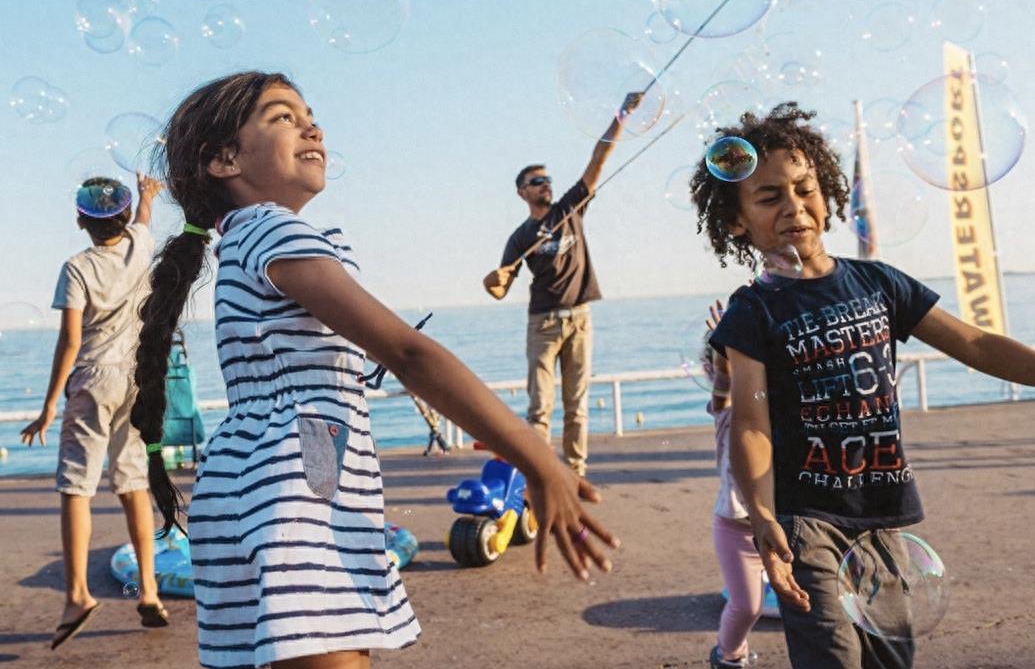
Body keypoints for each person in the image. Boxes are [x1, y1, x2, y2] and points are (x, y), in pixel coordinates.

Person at [130, 71, 620, 669]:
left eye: (309, 112)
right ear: (224, 159)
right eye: (283, 116)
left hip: (248, 483)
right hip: (298, 487)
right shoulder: (274, 229)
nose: (312, 125)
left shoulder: (239, 241)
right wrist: (538, 459)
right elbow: (408, 354)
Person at [692, 102, 1035, 669]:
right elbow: (750, 421)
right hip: (806, 521)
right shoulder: (752, 311)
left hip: (881, 512)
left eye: (805, 188)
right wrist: (762, 513)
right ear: (736, 221)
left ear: (828, 194)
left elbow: (973, 343)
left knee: (890, 659)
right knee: (833, 656)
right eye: (769, 196)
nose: (794, 206)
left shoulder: (878, 283)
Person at [21, 172, 167, 649]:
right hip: (137, 379)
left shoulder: (77, 267)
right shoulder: (140, 246)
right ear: (123, 217)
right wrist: (147, 195)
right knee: (133, 483)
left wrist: (47, 406)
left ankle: (78, 594)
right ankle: (149, 590)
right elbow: (145, 222)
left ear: (80, 221)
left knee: (75, 487)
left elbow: (70, 340)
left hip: (94, 380)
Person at [482, 92, 642, 476]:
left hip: (580, 319)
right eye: (537, 182)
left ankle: (574, 473)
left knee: (578, 405)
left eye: (547, 179)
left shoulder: (570, 208)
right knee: (540, 408)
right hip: (543, 323)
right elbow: (501, 287)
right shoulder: (521, 236)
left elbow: (598, 159)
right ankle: (540, 473)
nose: (545, 185)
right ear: (523, 192)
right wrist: (495, 280)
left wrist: (621, 115)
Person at [700, 300, 767, 669]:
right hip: (735, 527)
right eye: (716, 361)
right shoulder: (725, 412)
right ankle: (728, 655)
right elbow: (725, 387)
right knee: (748, 606)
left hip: (780, 522)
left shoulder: (768, 405)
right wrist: (726, 354)